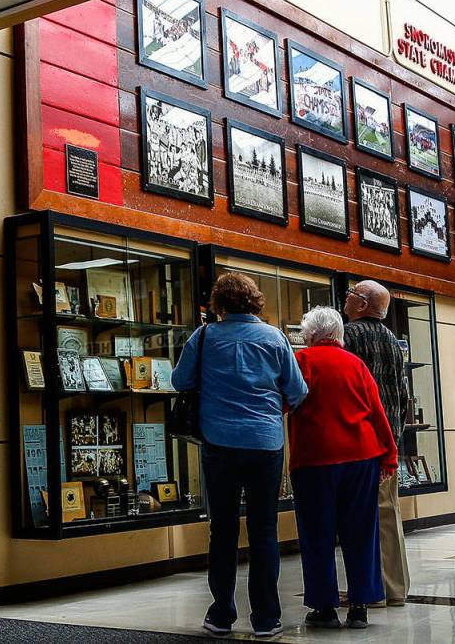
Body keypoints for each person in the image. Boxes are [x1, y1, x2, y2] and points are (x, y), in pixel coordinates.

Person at [172, 272, 307, 638]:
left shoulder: (203, 337)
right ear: (254, 301)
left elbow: (179, 381)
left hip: (219, 443)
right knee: (264, 529)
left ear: (218, 303)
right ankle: (266, 618)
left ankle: (222, 614)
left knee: (224, 530)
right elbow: (298, 390)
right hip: (265, 444)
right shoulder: (275, 337)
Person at [289, 306, 398, 629]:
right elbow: (377, 413)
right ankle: (361, 605)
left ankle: (324, 607)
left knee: (317, 534)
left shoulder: (302, 362)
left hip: (314, 459)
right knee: (362, 531)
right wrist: (388, 456)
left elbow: (285, 402)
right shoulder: (357, 365)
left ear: (310, 335)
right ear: (338, 334)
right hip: (361, 455)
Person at [342, 280, 412, 606]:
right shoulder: (393, 343)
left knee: (361, 519)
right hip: (389, 444)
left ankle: (371, 592)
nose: (346, 297)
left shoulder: (348, 336)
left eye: (351, 293)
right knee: (388, 514)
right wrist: (395, 436)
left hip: (359, 443)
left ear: (362, 304)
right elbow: (404, 395)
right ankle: (395, 589)